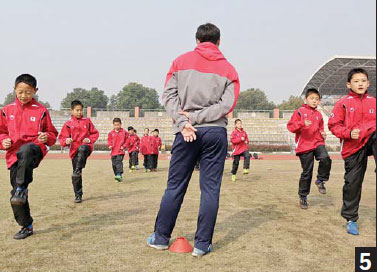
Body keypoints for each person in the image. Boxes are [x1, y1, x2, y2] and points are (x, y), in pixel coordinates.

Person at [147, 23, 239, 257]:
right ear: (219, 42)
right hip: (215, 132)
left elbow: (168, 96)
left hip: (186, 131)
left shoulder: (180, 61)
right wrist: (197, 118)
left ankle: (160, 238)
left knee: (175, 186)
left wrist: (185, 123)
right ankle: (202, 244)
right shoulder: (229, 70)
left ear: (197, 41)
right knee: (210, 189)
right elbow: (226, 105)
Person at [0, 74, 58, 239]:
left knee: (26, 150)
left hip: (34, 149)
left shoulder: (41, 110)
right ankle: (27, 225)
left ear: (35, 91)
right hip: (13, 155)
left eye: (28, 92)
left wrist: (46, 137)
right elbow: (1, 132)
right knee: (16, 197)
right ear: (14, 90)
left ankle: (22, 187)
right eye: (20, 92)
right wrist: (3, 141)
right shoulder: (6, 110)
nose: (24, 95)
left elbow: (52, 133)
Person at [328, 68, 376, 235]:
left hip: (370, 140)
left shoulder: (374, 102)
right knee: (352, 183)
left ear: (368, 83)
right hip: (352, 146)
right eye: (356, 81)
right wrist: (348, 133)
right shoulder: (343, 103)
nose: (360, 83)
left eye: (363, 80)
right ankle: (351, 219)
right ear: (349, 84)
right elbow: (333, 125)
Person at [287, 88, 332, 209]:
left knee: (326, 158)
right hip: (304, 145)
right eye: (312, 98)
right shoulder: (300, 112)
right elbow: (290, 127)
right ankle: (303, 196)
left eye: (317, 99)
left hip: (317, 142)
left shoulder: (319, 114)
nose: (314, 101)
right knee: (307, 172)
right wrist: (301, 123)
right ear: (306, 99)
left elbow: (321, 127)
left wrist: (322, 133)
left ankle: (320, 180)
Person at [58, 100, 99, 203]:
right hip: (74, 151)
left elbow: (95, 133)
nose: (80, 112)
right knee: (76, 175)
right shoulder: (68, 124)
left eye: (81, 110)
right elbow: (62, 138)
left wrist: (89, 140)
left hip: (86, 147)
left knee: (82, 149)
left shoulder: (87, 121)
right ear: (72, 111)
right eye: (77, 110)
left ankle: (78, 169)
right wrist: (67, 140)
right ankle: (78, 195)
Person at [108, 118, 128, 182]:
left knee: (118, 162)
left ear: (121, 124)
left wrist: (124, 146)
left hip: (120, 151)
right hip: (113, 152)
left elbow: (128, 140)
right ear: (113, 125)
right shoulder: (111, 133)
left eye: (118, 125)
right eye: (115, 125)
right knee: (114, 164)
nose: (117, 126)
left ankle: (119, 174)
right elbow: (109, 140)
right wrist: (110, 145)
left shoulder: (124, 132)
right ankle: (117, 175)